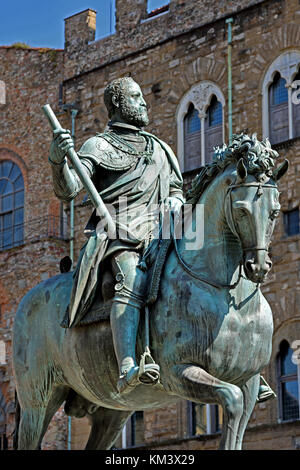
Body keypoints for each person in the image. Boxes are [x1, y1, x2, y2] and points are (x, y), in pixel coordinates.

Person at [48, 77, 185, 394]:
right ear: (120, 104)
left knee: (207, 259)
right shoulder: (99, 145)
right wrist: (58, 161)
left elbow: (177, 188)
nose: (144, 103)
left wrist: (177, 202)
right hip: (121, 226)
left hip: (165, 224)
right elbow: (69, 190)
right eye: (136, 97)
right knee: (132, 278)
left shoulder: (160, 148)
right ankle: (127, 365)